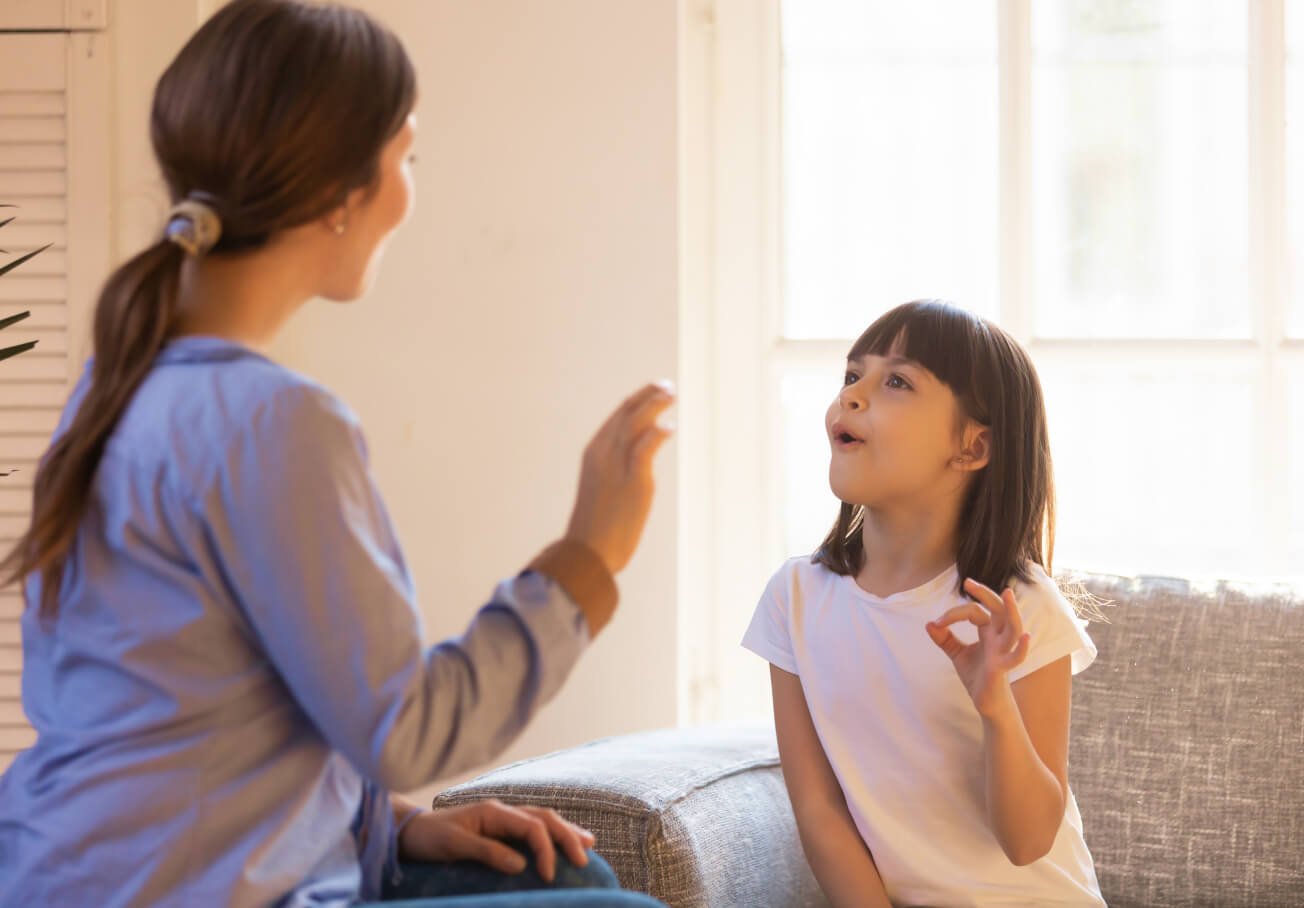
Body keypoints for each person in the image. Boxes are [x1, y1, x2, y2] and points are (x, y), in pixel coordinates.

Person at [0, 2, 671, 906]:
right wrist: (589, 559)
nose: (409, 188)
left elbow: (199, 709)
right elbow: (410, 729)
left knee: (573, 872)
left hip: (76, 873)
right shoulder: (274, 422)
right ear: (342, 194)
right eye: (408, 157)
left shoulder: (116, 387)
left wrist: (391, 825)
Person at [742, 300, 1106, 907]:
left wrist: (995, 706)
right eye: (852, 376)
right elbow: (820, 813)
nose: (853, 394)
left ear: (972, 447)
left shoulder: (1018, 607)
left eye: (897, 382)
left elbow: (1028, 841)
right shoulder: (795, 599)